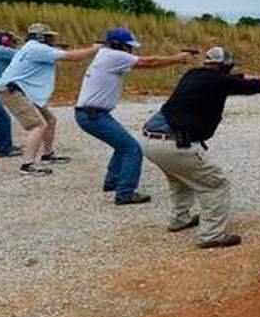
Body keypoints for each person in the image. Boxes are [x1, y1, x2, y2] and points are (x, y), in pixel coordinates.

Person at [142, 47, 260, 243]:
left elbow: (240, 78)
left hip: (151, 141)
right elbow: (249, 86)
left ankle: (180, 218)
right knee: (216, 184)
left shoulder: (193, 74)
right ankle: (211, 234)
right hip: (174, 143)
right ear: (224, 65)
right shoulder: (220, 81)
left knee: (180, 178)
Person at [74, 27, 193, 205]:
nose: (131, 50)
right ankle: (125, 193)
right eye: (128, 46)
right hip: (93, 115)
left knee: (122, 146)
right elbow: (150, 62)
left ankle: (112, 182)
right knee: (132, 148)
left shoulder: (106, 54)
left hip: (92, 114)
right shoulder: (113, 55)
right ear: (118, 45)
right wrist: (178, 58)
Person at [0, 23, 99, 176]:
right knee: (37, 125)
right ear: (40, 37)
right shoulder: (36, 48)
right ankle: (27, 165)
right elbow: (72, 57)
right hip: (13, 91)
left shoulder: (34, 47)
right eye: (48, 36)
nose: (51, 39)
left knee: (50, 120)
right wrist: (95, 49)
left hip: (22, 91)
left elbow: (63, 54)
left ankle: (48, 154)